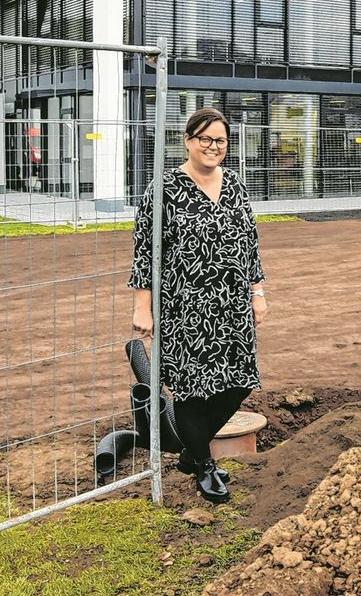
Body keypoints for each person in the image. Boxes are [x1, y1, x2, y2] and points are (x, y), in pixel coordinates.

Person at [129, 107, 268, 503]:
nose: (213, 146)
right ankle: (204, 467)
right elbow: (146, 252)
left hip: (232, 305)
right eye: (204, 138)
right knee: (191, 390)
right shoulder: (164, 189)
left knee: (239, 382)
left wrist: (258, 292)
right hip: (184, 307)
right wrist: (143, 306)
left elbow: (250, 243)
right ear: (188, 141)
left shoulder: (236, 184)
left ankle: (191, 451)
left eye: (220, 140)